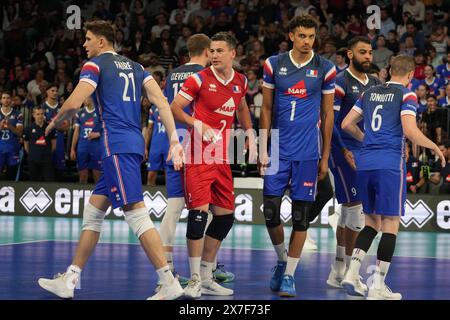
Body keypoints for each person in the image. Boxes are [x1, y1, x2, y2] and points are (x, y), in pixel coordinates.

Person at [37, 20, 184, 300]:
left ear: (101, 42)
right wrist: (175, 140)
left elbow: (72, 103)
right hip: (131, 145)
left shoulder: (95, 65)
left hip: (114, 144)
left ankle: (168, 281)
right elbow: (162, 103)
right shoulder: (138, 68)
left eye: (88, 39)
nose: (84, 44)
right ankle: (70, 278)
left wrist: (55, 123)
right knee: (93, 212)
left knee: (136, 214)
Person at [340, 55, 446, 300]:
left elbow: (346, 123)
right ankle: (377, 285)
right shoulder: (407, 95)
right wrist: (434, 146)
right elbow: (409, 130)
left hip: (365, 163)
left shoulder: (369, 92)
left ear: (388, 71)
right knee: (390, 225)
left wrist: (367, 140)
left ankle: (352, 273)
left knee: (371, 223)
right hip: (389, 164)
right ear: (410, 76)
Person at [171, 32, 256, 298]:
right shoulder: (199, 78)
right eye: (212, 51)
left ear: (233, 53)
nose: (214, 55)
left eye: (220, 51)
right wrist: (196, 122)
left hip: (221, 157)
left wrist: (249, 132)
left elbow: (241, 107)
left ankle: (207, 276)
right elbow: (175, 107)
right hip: (198, 155)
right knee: (198, 216)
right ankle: (194, 278)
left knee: (225, 217)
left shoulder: (240, 81)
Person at [259, 15, 336, 297]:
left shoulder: (325, 68)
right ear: (291, 35)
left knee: (301, 216)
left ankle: (289, 275)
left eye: (311, 37)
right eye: (302, 36)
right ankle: (282, 261)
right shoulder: (273, 64)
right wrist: (262, 147)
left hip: (307, 152)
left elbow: (328, 115)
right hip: (278, 148)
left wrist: (325, 156)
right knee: (270, 212)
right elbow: (265, 108)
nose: (307, 41)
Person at [326, 36, 380, 289]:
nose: (367, 56)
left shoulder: (376, 84)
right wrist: (345, 150)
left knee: (349, 210)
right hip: (344, 152)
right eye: (362, 52)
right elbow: (332, 123)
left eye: (369, 52)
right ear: (350, 54)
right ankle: (351, 273)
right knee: (357, 211)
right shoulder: (340, 81)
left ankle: (338, 270)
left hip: (366, 152)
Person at [70, 97, 102, 183]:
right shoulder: (79, 112)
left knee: (97, 174)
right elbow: (76, 132)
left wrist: (98, 134)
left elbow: (108, 128)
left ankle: (97, 195)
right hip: (82, 147)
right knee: (82, 174)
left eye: (85, 98)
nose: (83, 100)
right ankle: (82, 195)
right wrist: (72, 149)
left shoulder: (100, 111)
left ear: (92, 98)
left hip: (97, 147)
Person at [43, 83, 69, 181]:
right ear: (47, 92)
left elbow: (66, 126)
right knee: (47, 170)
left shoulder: (63, 108)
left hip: (59, 141)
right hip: (46, 141)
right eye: (52, 91)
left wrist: (51, 125)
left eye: (56, 91)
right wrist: (59, 124)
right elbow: (42, 127)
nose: (55, 93)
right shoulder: (42, 107)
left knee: (59, 171)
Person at [23, 106, 55, 181]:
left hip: (47, 161)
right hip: (33, 161)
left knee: (49, 182)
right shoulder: (28, 128)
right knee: (34, 183)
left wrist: (47, 154)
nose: (40, 116)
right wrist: (33, 154)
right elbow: (26, 145)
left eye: (42, 114)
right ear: (33, 115)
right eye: (38, 114)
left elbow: (54, 145)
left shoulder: (50, 127)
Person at [0, 91, 23, 180]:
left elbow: (19, 133)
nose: (6, 100)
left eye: (8, 98)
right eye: (4, 98)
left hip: (13, 148)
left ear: (11, 100)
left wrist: (10, 126)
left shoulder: (18, 114)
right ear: (1, 100)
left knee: (12, 175)